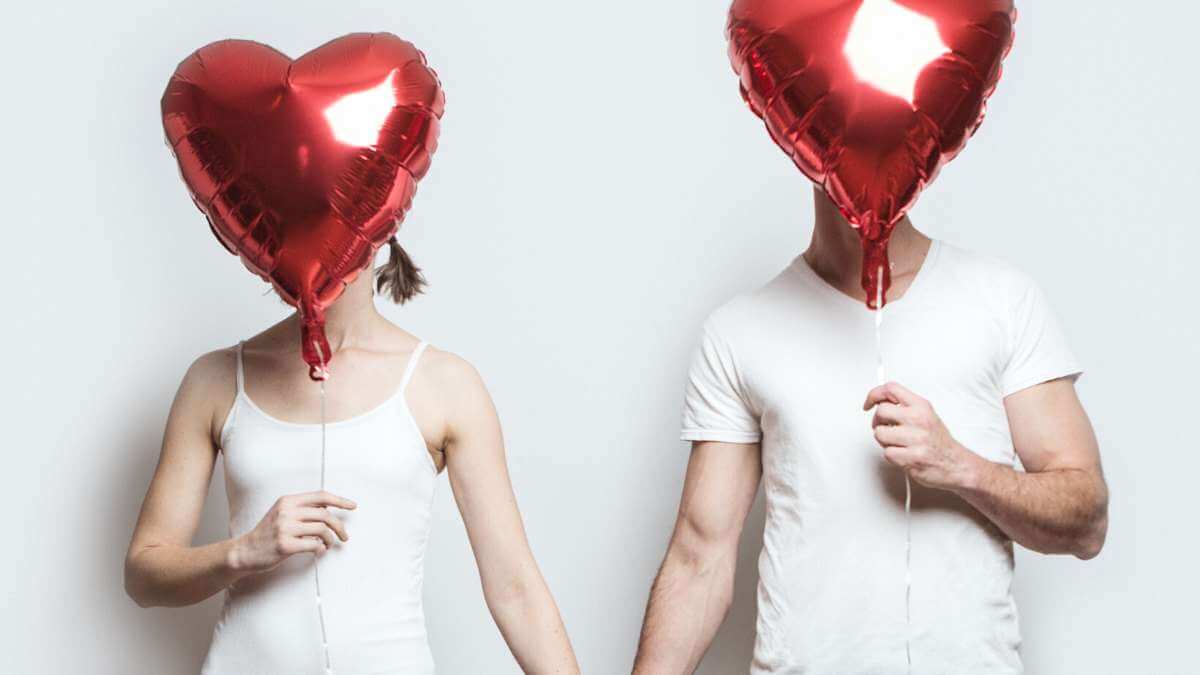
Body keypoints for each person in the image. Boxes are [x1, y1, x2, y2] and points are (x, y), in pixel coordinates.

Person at [631, 190, 1109, 674]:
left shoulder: (1003, 300)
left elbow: (1087, 525)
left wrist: (961, 466)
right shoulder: (739, 331)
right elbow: (699, 561)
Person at [124, 236, 579, 674]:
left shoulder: (445, 383)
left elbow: (514, 587)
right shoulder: (216, 378)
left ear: (382, 218)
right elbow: (144, 574)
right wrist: (245, 551)